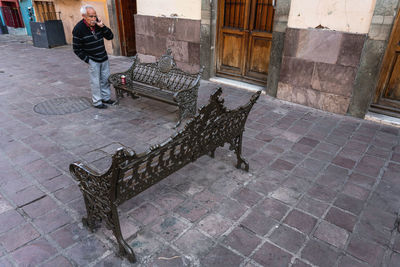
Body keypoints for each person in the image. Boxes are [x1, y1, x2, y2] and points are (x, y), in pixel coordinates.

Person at [72, 5, 115, 109]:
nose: (93, 19)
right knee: (95, 82)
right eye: (91, 16)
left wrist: (102, 26)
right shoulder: (78, 29)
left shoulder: (98, 25)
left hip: (103, 58)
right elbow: (77, 49)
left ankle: (106, 98)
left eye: (94, 16)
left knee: (105, 79)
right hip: (93, 60)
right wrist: (88, 60)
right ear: (84, 16)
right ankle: (97, 102)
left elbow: (110, 36)